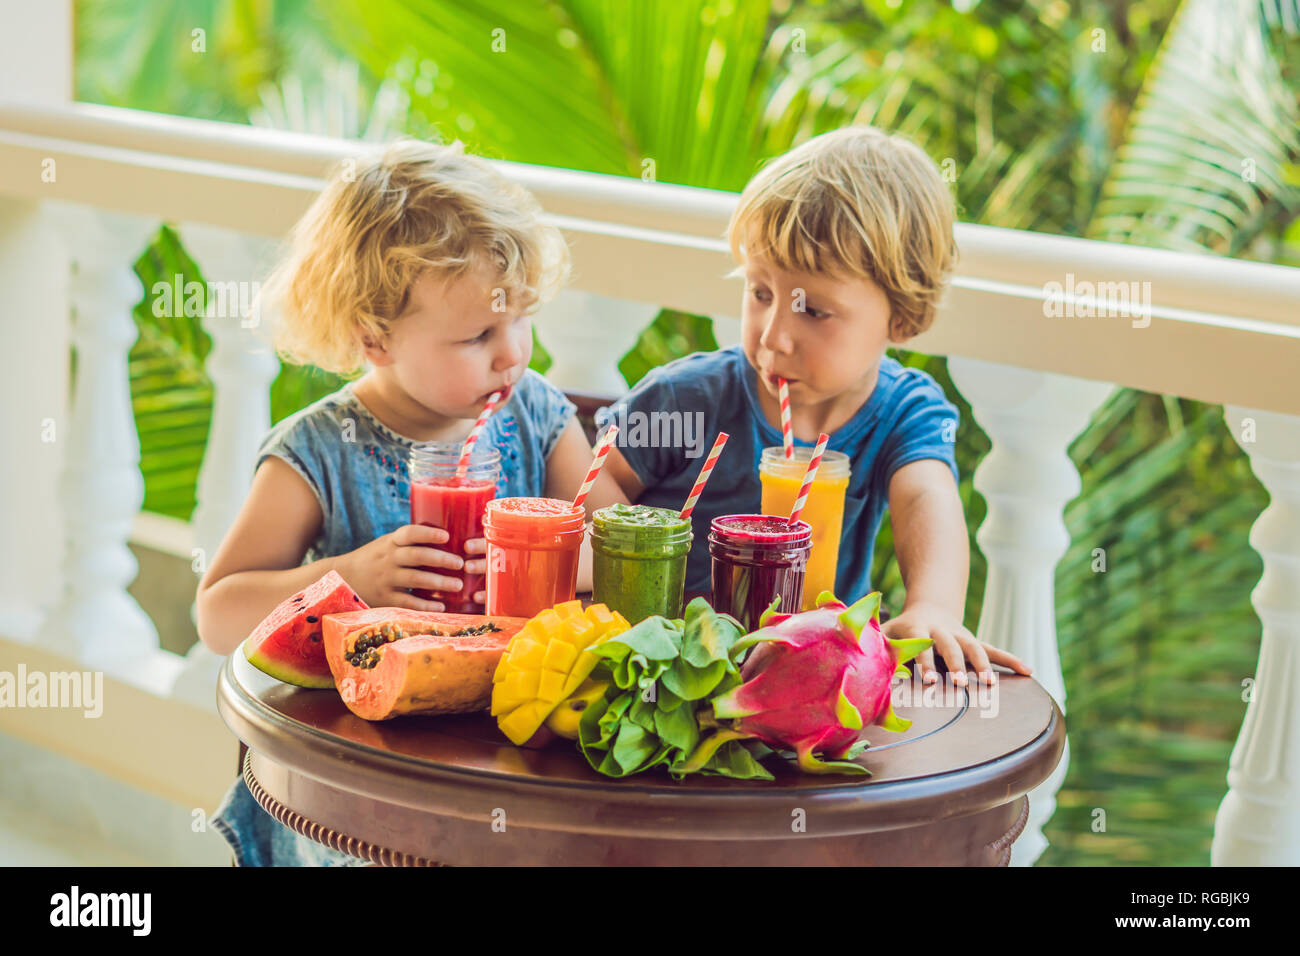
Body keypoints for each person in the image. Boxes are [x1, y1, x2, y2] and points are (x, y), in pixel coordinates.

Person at [196, 138, 626, 865]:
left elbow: (614, 544)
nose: (511, 354)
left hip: (511, 767)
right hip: (363, 786)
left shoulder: (540, 415)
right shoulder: (319, 449)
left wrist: (555, 557)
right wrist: (351, 580)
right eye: (478, 334)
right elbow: (218, 612)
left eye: (520, 318)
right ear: (375, 338)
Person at [599, 125, 1032, 687]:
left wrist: (934, 605)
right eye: (760, 293)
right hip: (659, 673)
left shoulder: (903, 413)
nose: (773, 337)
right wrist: (640, 591)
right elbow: (596, 479)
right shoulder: (690, 400)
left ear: (901, 317)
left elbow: (928, 493)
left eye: (815, 311)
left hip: (800, 685)